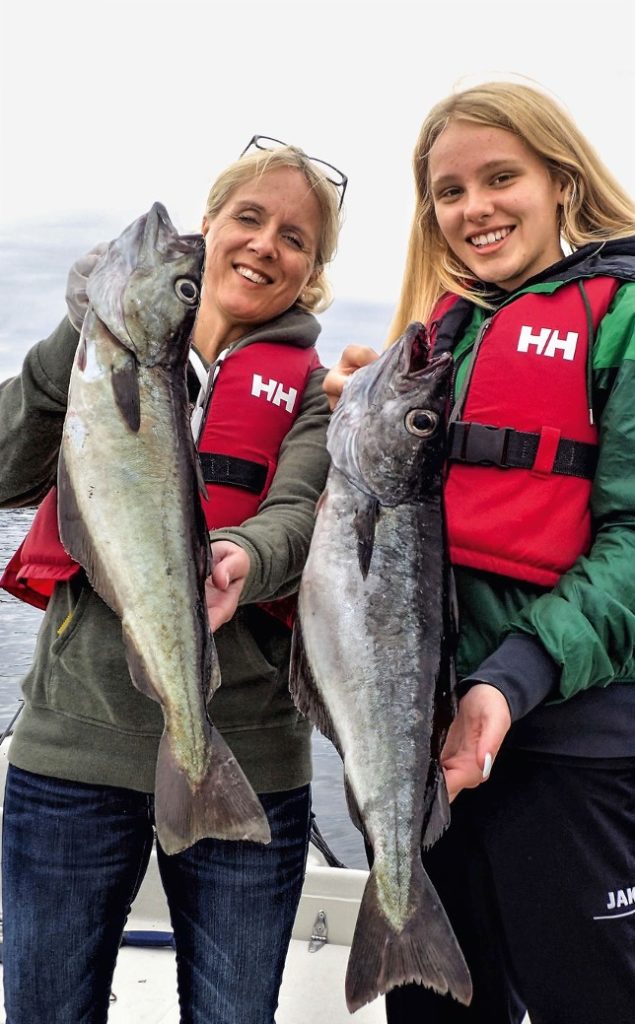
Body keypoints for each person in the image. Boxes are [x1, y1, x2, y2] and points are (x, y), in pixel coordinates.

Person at [0, 137, 345, 1023]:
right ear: (210, 227)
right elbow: (6, 470)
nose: (267, 244)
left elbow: (302, 510)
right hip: (73, 751)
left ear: (312, 270)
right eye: (248, 218)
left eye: (295, 238)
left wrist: (245, 556)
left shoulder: (311, 390)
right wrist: (70, 335)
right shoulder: (97, 361)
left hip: (248, 753)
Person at [324, 81, 635, 1024]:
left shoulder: (620, 315)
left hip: (571, 746)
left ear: (560, 180)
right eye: (449, 192)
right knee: (434, 1010)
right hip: (424, 745)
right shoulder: (444, 336)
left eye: (501, 178)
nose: (474, 209)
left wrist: (509, 679)